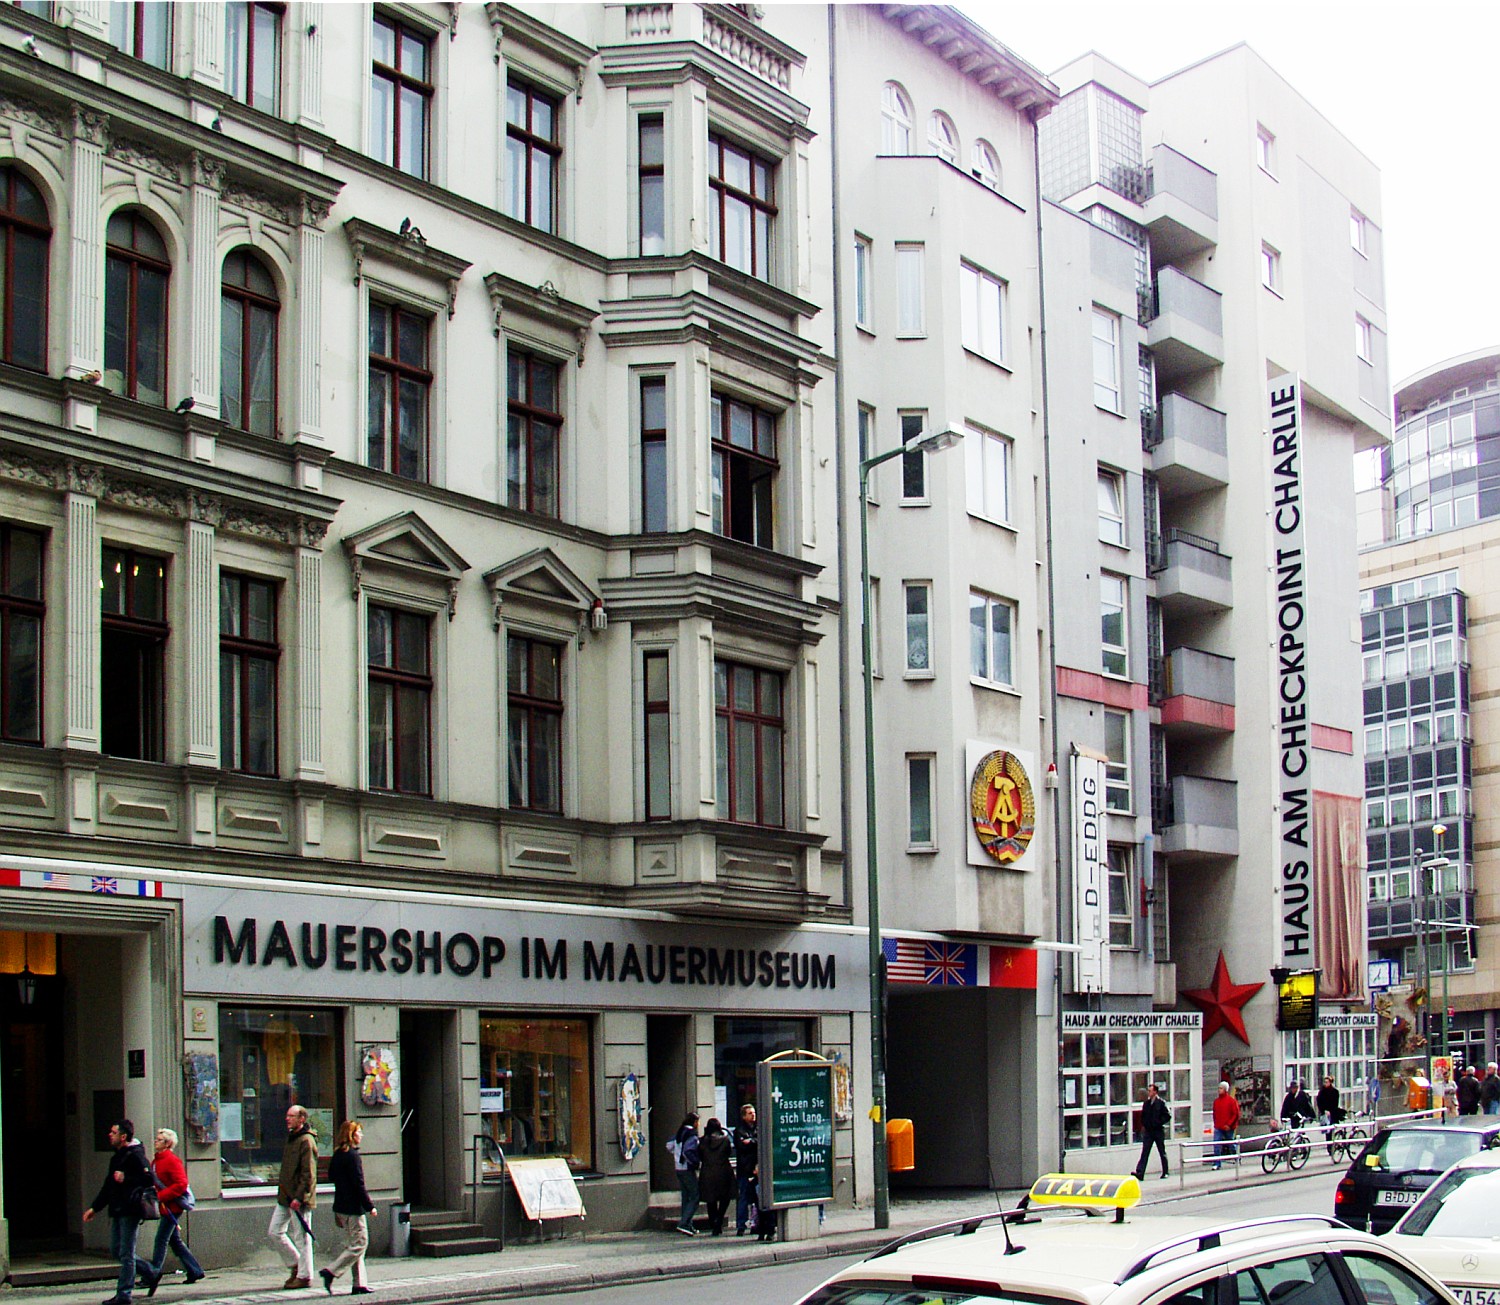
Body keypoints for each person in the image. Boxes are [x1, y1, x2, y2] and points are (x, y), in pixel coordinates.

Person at [85, 1120, 154, 1305]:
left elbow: (148, 1178)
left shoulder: (135, 1155)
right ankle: (150, 1272)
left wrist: (127, 1178)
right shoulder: (116, 1157)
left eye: (113, 1132)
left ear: (123, 1137)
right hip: (117, 1208)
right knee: (117, 1250)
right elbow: (108, 1185)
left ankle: (124, 1294)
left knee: (126, 1253)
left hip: (130, 1209)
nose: (109, 1134)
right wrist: (94, 1208)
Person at [135, 1128, 205, 1295]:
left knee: (161, 1240)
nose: (155, 1141)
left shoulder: (172, 1161)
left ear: (167, 1143)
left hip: (172, 1207)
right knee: (174, 1241)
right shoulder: (156, 1161)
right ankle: (194, 1270)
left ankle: (152, 1274)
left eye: (159, 1139)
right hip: (166, 1205)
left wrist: (161, 1196)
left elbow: (181, 1184)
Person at [320, 1122, 374, 1296]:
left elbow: (331, 1177)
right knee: (360, 1243)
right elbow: (359, 1184)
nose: (361, 1135)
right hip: (353, 1208)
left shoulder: (337, 1155)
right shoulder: (352, 1156)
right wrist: (369, 1206)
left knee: (354, 1244)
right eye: (359, 1132)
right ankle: (331, 1271)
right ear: (351, 1135)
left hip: (341, 1206)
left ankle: (359, 1284)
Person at [269, 1105, 317, 1288]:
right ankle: (296, 1264)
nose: (287, 1119)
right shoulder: (292, 1138)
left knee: (302, 1237)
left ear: (301, 1119)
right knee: (274, 1232)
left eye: (292, 1116)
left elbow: (308, 1174)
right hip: (285, 1196)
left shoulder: (306, 1140)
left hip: (298, 1199)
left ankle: (305, 1276)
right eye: (287, 1115)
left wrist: (300, 1196)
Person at [698, 1119, 734, 1236]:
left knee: (711, 1200)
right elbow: (728, 1153)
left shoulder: (702, 1141)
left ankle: (713, 1223)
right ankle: (719, 1219)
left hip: (708, 1172)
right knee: (725, 1198)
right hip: (724, 1171)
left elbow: (700, 1155)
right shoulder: (725, 1140)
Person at [670, 1112, 701, 1236]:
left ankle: (687, 1224)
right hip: (687, 1168)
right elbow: (688, 1151)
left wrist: (676, 1156)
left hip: (678, 1168)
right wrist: (695, 1162)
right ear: (694, 1122)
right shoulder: (691, 1134)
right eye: (697, 1122)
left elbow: (669, 1146)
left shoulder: (679, 1133)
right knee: (695, 1196)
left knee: (686, 1196)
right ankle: (684, 1223)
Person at [1132, 1084, 1170, 1181]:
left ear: (1155, 1092)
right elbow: (1143, 1116)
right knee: (1145, 1152)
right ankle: (1140, 1172)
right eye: (1148, 1091)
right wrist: (1145, 1125)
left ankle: (1165, 1171)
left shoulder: (1161, 1103)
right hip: (1149, 1131)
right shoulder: (1147, 1104)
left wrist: (1158, 1122)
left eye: (1150, 1091)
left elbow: (1167, 1116)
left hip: (1158, 1131)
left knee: (1162, 1151)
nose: (1148, 1093)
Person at [732, 1103, 758, 1236]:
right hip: (745, 1168)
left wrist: (752, 1141)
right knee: (743, 1197)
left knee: (756, 1198)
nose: (753, 1115)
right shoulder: (739, 1130)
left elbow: (761, 1141)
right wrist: (754, 1142)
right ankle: (741, 1225)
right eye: (750, 1113)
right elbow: (742, 1146)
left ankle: (755, 1223)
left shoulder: (758, 1128)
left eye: (753, 1113)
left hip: (757, 1168)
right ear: (743, 1116)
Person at [1210, 1082, 1240, 1171]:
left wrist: (1229, 1124)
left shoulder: (1231, 1101)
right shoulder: (1216, 1102)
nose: (1219, 1090)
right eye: (1219, 1088)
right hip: (1219, 1126)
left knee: (1231, 1143)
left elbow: (1235, 1114)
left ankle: (1236, 1155)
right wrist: (1216, 1124)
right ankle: (1217, 1163)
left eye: (1221, 1088)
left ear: (1225, 1090)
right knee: (1216, 1144)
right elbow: (1215, 1113)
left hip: (1228, 1127)